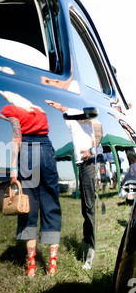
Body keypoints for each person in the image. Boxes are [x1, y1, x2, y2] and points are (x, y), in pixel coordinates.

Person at [0, 100, 61, 277]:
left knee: (29, 205)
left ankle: (32, 265)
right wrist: (0, 117)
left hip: (27, 150)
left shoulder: (11, 109)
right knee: (51, 202)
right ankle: (52, 264)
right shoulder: (39, 110)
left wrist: (13, 169)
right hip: (46, 150)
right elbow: (23, 120)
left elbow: (16, 135)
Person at [46, 100, 103, 271]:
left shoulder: (91, 119)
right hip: (81, 167)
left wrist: (91, 151)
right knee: (85, 210)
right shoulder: (72, 116)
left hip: (89, 166)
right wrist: (54, 104)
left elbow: (99, 131)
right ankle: (86, 244)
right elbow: (63, 108)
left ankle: (92, 252)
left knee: (90, 210)